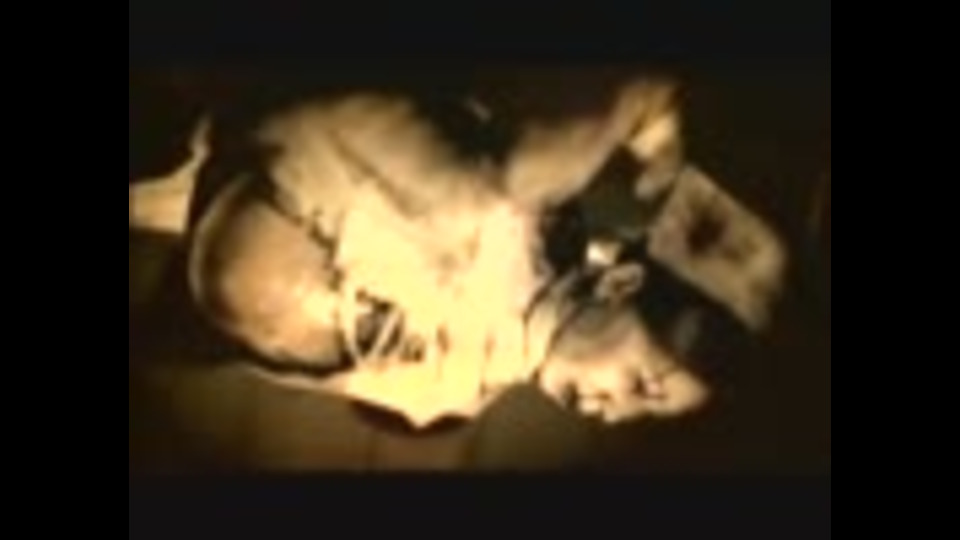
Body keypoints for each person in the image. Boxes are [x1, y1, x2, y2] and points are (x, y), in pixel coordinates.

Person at [179, 76, 785, 429]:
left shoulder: (456, 397)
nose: (619, 412)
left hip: (211, 253)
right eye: (647, 383)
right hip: (250, 161)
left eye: (645, 413)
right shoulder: (505, 209)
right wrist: (631, 115)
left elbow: (275, 354)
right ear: (620, 283)